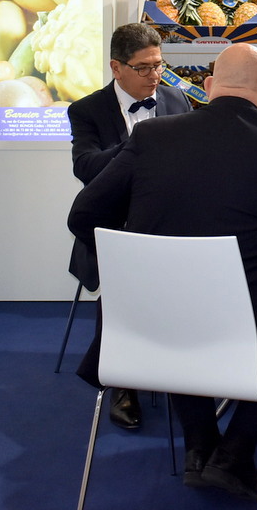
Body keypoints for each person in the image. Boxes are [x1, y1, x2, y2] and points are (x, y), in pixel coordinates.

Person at [67, 44, 257, 499]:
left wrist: (130, 256)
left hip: (149, 323)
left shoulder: (151, 136)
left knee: (183, 315)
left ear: (209, 86)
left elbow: (84, 214)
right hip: (253, 328)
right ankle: (235, 454)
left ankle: (199, 446)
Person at [67, 22, 191, 430]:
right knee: (126, 278)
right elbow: (85, 167)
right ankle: (123, 383)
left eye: (159, 65)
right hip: (114, 223)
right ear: (116, 67)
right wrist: (139, 145)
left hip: (171, 220)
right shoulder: (87, 110)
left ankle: (185, 367)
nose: (154, 75)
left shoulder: (177, 99)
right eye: (143, 68)